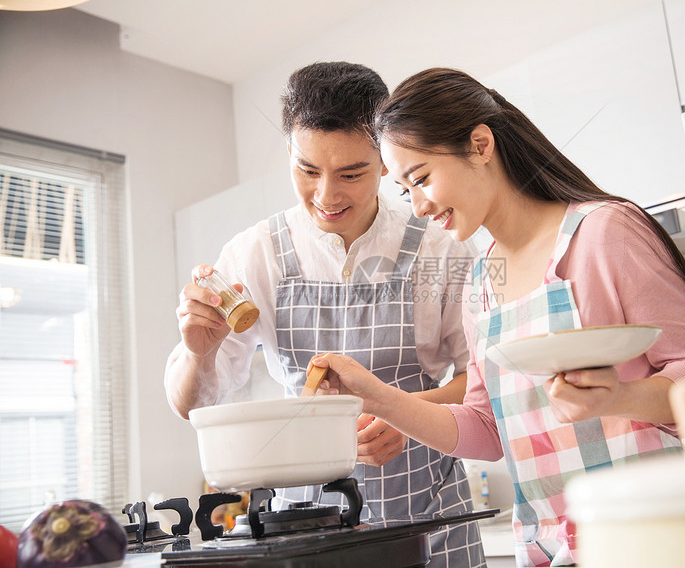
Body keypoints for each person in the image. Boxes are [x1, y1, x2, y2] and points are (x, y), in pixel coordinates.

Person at [308, 67, 685, 567]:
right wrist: (376, 396)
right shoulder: (480, 282)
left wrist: (619, 397)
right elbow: (487, 430)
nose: (420, 207)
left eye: (422, 178)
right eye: (406, 191)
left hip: (656, 536)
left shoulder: (605, 232)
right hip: (551, 549)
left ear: (481, 144)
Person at [164, 62, 486, 567]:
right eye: (307, 170)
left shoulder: (440, 247)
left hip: (428, 520)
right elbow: (191, 406)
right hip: (305, 531)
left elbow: (485, 379)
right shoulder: (255, 255)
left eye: (351, 173)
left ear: (385, 160)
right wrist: (196, 352)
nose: (326, 196)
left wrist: (409, 415)